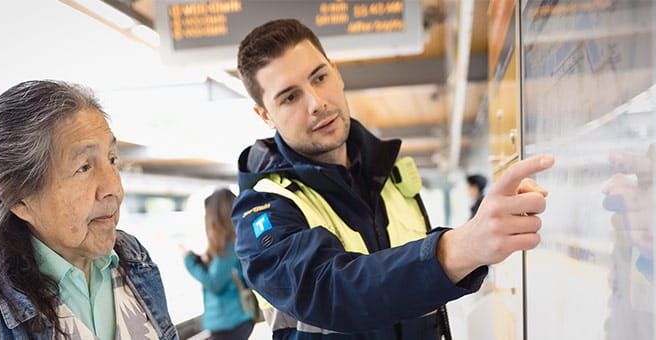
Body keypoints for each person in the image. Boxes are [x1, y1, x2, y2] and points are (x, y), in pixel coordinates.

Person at [232, 18, 555, 339]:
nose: (317, 103)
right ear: (265, 115)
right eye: (290, 97)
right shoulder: (262, 209)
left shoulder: (388, 174)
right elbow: (329, 289)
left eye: (319, 77)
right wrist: (462, 246)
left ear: (336, 72)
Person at [0, 80, 178, 340]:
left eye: (112, 159)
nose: (113, 188)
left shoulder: (133, 258)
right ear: (18, 197)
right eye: (84, 167)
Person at [180, 188, 255, 340]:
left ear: (215, 217)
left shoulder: (228, 248)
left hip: (230, 322)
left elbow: (214, 284)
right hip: (234, 321)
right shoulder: (235, 242)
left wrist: (187, 260)